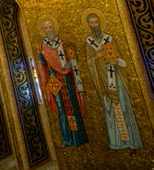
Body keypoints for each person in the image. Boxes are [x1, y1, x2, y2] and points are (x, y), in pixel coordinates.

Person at [83, 12, 141, 150]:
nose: (94, 25)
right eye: (91, 23)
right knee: (109, 110)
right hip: (103, 81)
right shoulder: (89, 42)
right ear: (88, 25)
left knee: (124, 107)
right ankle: (116, 143)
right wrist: (96, 57)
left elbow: (122, 60)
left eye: (96, 22)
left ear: (100, 23)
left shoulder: (109, 39)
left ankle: (131, 142)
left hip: (116, 77)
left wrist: (117, 61)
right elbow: (89, 63)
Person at [37, 19, 89, 147]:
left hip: (67, 79)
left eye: (50, 26)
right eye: (46, 27)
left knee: (72, 103)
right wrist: (40, 57)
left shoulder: (61, 43)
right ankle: (67, 138)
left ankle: (79, 137)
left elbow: (71, 58)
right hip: (55, 81)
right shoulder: (43, 45)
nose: (49, 29)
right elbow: (43, 65)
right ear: (44, 30)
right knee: (61, 107)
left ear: (53, 28)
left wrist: (71, 62)